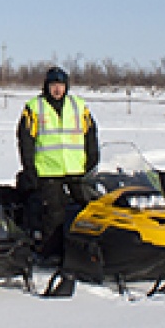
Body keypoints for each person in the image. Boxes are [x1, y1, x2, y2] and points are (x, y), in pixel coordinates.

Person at [15, 66, 99, 261]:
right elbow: (25, 139)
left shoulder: (78, 105)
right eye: (54, 86)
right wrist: (29, 167)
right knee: (54, 214)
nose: (57, 90)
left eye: (60, 86)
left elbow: (90, 134)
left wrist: (92, 157)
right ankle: (52, 252)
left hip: (76, 168)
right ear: (47, 86)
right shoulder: (35, 107)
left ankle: (89, 248)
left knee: (90, 208)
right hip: (48, 170)